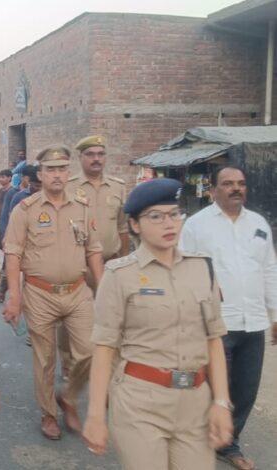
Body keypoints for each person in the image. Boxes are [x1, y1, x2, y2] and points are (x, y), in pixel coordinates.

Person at [83, 178, 234, 469]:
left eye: (174, 214)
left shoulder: (202, 268)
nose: (169, 223)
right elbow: (104, 348)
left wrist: (221, 402)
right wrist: (96, 415)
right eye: (156, 216)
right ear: (135, 224)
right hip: (140, 403)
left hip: (195, 404)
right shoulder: (119, 275)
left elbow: (214, 339)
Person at [2, 145, 104, 440]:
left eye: (61, 169)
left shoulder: (82, 207)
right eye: (50, 170)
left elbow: (94, 250)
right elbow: (13, 254)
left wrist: (104, 291)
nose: (57, 175)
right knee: (45, 359)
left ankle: (68, 396)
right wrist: (15, 298)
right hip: (39, 293)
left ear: (68, 172)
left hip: (77, 291)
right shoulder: (26, 210)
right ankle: (48, 413)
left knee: (91, 351)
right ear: (41, 174)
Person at [180, 167, 277, 470]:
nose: (236, 188)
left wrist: (275, 313)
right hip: (215, 324)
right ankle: (197, 441)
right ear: (213, 190)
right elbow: (183, 268)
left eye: (241, 184)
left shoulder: (258, 223)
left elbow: (269, 269)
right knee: (210, 388)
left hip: (254, 322)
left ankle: (227, 442)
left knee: (246, 389)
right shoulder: (196, 225)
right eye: (228, 184)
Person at [59, 135, 130, 379]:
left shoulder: (118, 187)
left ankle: (109, 362)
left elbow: (123, 227)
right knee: (71, 316)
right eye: (90, 154)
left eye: (100, 154)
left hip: (110, 263)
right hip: (79, 265)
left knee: (112, 314)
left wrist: (125, 260)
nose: (96, 159)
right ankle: (69, 362)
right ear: (81, 158)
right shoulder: (69, 187)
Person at [0, 165, 41, 305]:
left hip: (35, 240)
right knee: (10, 266)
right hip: (17, 238)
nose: (39, 188)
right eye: (36, 185)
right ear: (28, 180)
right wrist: (6, 237)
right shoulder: (17, 196)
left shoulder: (46, 197)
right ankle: (3, 289)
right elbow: (8, 217)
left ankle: (30, 298)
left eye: (41, 186)